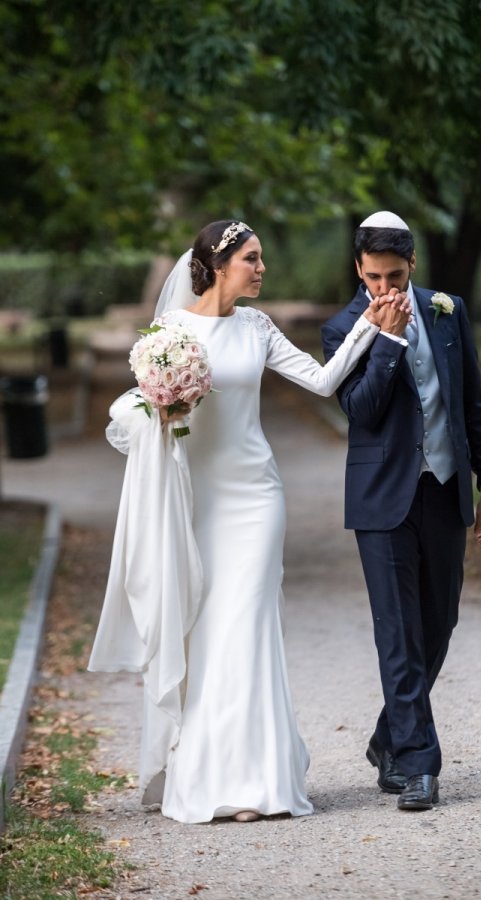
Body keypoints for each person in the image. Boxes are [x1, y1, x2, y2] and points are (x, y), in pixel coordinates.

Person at [88, 219, 409, 825]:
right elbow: (130, 408)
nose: (262, 269)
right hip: (198, 501)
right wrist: (159, 406)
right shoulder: (171, 334)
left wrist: (371, 328)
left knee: (249, 624)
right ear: (217, 264)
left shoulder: (258, 327)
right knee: (210, 633)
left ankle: (259, 781)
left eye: (262, 259)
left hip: (257, 499)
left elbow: (321, 380)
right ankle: (213, 775)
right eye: (252, 259)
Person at [321, 210, 481, 811]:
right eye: (373, 277)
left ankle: (388, 738)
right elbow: (364, 410)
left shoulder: (447, 313)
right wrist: (389, 338)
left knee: (439, 623)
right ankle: (421, 763)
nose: (384, 289)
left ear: (413, 265)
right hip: (381, 499)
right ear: (358, 269)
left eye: (394, 276)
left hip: (444, 489)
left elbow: (470, 400)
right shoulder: (342, 327)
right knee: (397, 632)